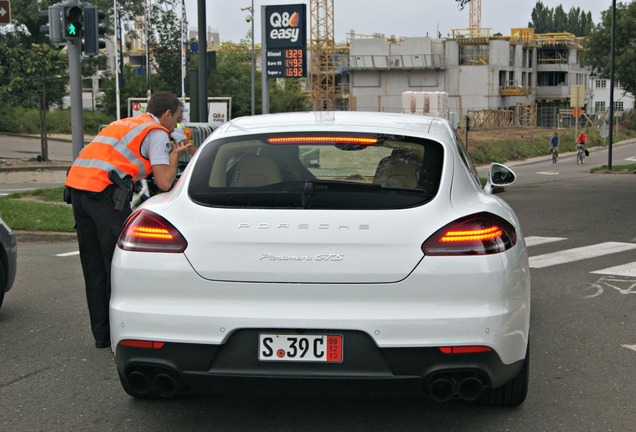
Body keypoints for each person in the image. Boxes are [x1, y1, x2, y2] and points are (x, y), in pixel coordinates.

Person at [64, 91, 195, 349]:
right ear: (167, 114)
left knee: (94, 268)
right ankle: (120, 336)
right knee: (117, 266)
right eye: (177, 119)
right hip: (105, 196)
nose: (177, 125)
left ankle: (102, 336)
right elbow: (165, 182)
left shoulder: (125, 123)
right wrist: (174, 158)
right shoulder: (156, 132)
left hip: (78, 191)